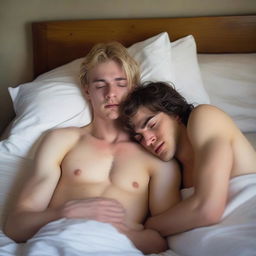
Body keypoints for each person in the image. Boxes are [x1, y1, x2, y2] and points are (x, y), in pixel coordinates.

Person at [3, 43, 181, 254]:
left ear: (133, 87)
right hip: (58, 241)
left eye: (120, 83)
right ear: (87, 90)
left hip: (118, 248)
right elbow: (16, 226)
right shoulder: (61, 141)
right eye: (100, 85)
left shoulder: (157, 157)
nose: (110, 93)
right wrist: (66, 212)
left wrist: (122, 233)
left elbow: (164, 240)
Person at [120, 81, 256, 236]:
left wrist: (148, 225)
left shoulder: (204, 117)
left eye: (152, 124)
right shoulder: (171, 169)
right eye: (139, 137)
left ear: (174, 113)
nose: (148, 140)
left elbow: (208, 210)